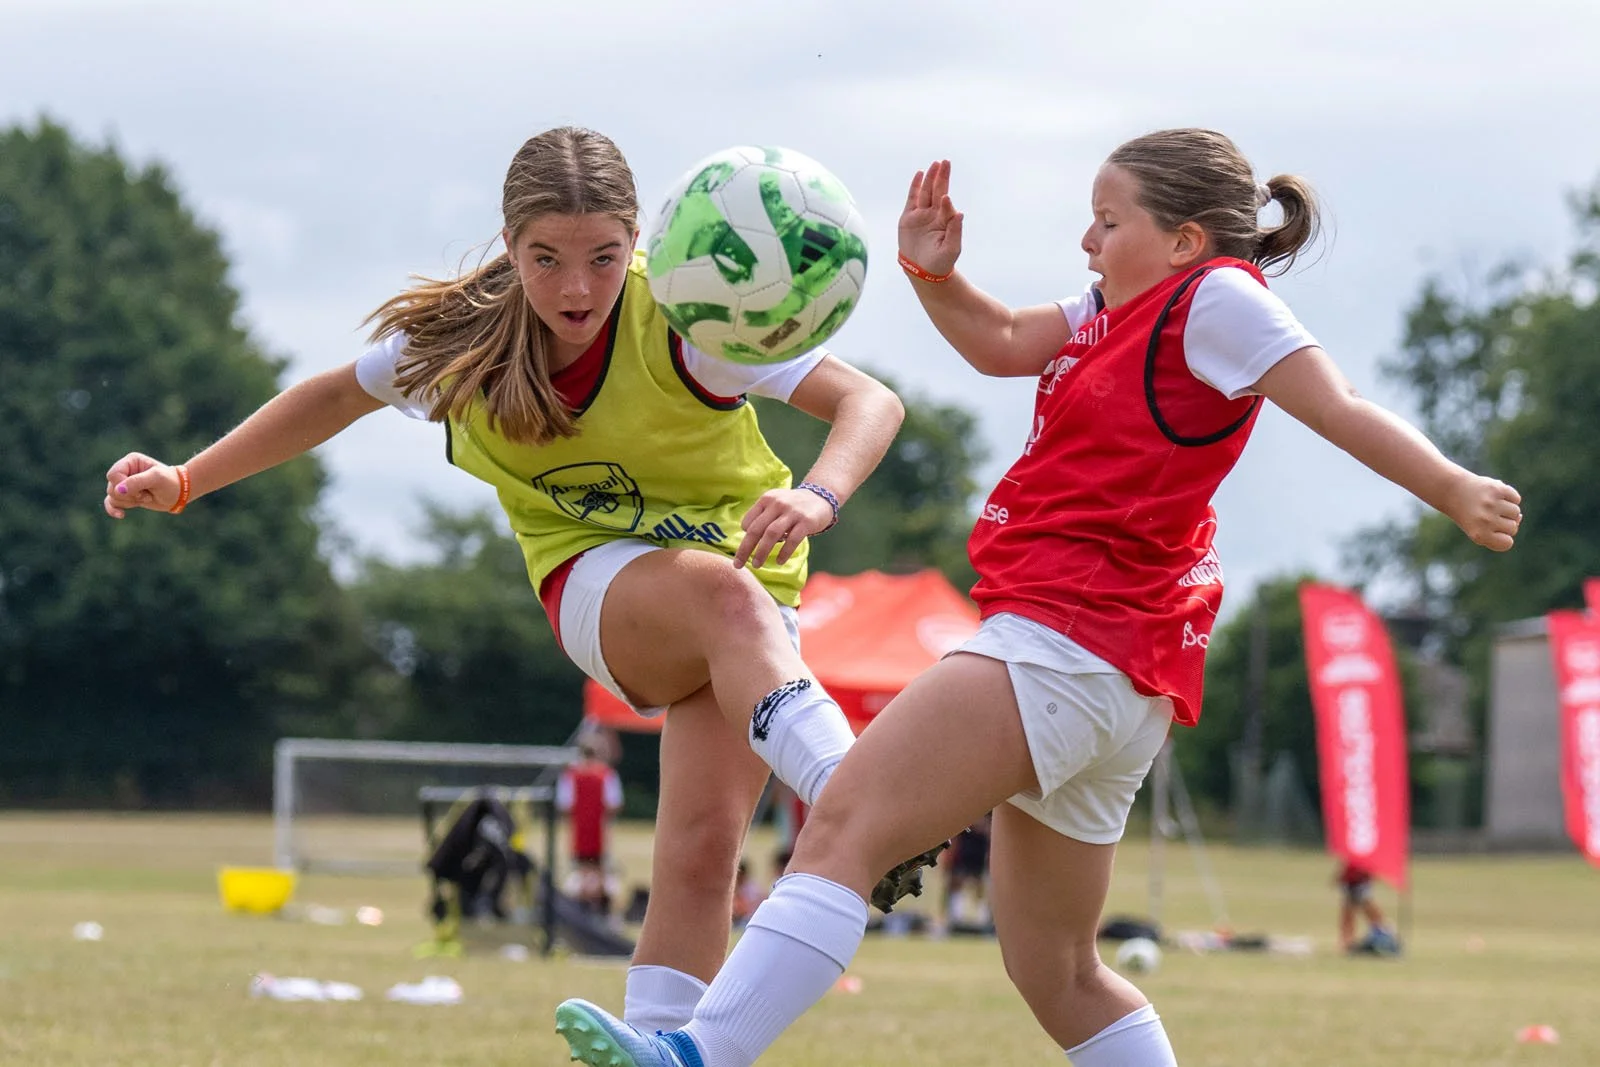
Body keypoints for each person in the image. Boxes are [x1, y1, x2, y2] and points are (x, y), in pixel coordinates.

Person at [553, 127, 1523, 1066]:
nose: (1088, 240)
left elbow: (1335, 402)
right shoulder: (1114, 306)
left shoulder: (1217, 296)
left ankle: (698, 1051)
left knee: (843, 821)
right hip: (1114, 671)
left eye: (1107, 220)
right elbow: (1000, 337)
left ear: (1183, 239)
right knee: (1055, 969)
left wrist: (1450, 487)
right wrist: (932, 273)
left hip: (1066, 642)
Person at [101, 125, 939, 1035]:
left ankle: (666, 1053)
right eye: (546, 258)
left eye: (604, 258)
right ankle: (865, 799)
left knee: (702, 852)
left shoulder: (694, 310)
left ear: (637, 242)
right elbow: (334, 395)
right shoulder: (460, 342)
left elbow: (872, 401)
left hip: (746, 593)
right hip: (594, 579)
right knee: (724, 600)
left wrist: (818, 494)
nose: (576, 288)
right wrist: (186, 480)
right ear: (510, 246)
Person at [558, 739, 625, 915]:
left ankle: (583, 907)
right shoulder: (607, 774)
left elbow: (565, 804)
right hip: (600, 831)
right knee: (600, 870)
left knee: (582, 870)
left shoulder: (571, 775)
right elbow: (614, 804)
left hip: (579, 831)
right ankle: (600, 908)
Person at [1335, 861, 1397, 955]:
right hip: (1351, 881)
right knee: (1349, 912)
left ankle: (1383, 931)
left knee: (1365, 906)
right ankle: (1347, 940)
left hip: (1360, 880)